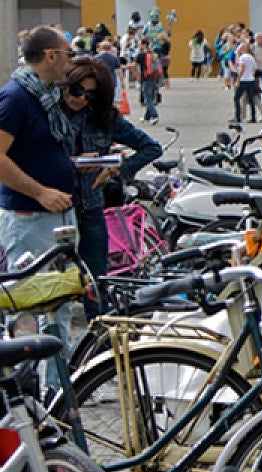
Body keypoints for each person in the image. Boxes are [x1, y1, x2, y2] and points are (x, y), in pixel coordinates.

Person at [60, 56, 162, 317]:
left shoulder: (104, 117)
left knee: (97, 285)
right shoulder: (52, 114)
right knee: (54, 286)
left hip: (91, 207)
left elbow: (151, 147)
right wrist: (71, 163)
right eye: (77, 90)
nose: (82, 98)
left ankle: (101, 344)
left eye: (90, 94)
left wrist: (116, 170)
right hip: (56, 208)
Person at [0, 26, 77, 273]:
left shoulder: (48, 95)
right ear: (50, 56)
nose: (71, 59)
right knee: (30, 297)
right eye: (68, 53)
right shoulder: (15, 98)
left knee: (62, 298)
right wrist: (41, 193)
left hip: (57, 213)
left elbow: (40, 148)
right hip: (29, 217)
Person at [135, 38, 162, 123]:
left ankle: (154, 115)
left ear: (144, 45)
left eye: (139, 44)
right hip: (153, 77)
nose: (138, 45)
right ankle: (146, 117)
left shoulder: (141, 55)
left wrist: (124, 67)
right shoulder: (152, 54)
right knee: (150, 96)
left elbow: (133, 65)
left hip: (145, 78)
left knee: (147, 99)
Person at [232, 42, 259, 123]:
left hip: (243, 80)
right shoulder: (251, 57)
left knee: (236, 98)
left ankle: (238, 117)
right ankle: (253, 117)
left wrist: (238, 80)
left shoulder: (243, 57)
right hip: (250, 80)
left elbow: (242, 69)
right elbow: (254, 68)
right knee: (251, 99)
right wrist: (252, 76)